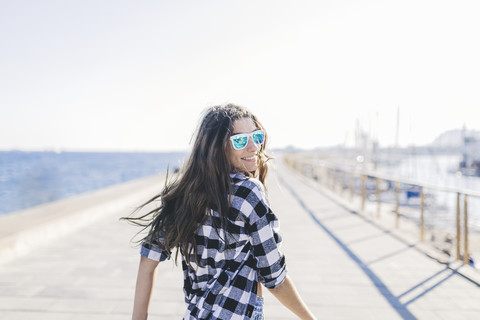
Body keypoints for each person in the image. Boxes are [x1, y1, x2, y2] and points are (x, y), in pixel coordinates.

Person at [124, 104, 316, 320]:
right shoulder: (249, 193)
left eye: (256, 136)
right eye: (240, 140)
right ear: (218, 148)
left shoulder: (183, 194)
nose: (253, 147)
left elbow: (147, 261)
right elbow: (274, 279)